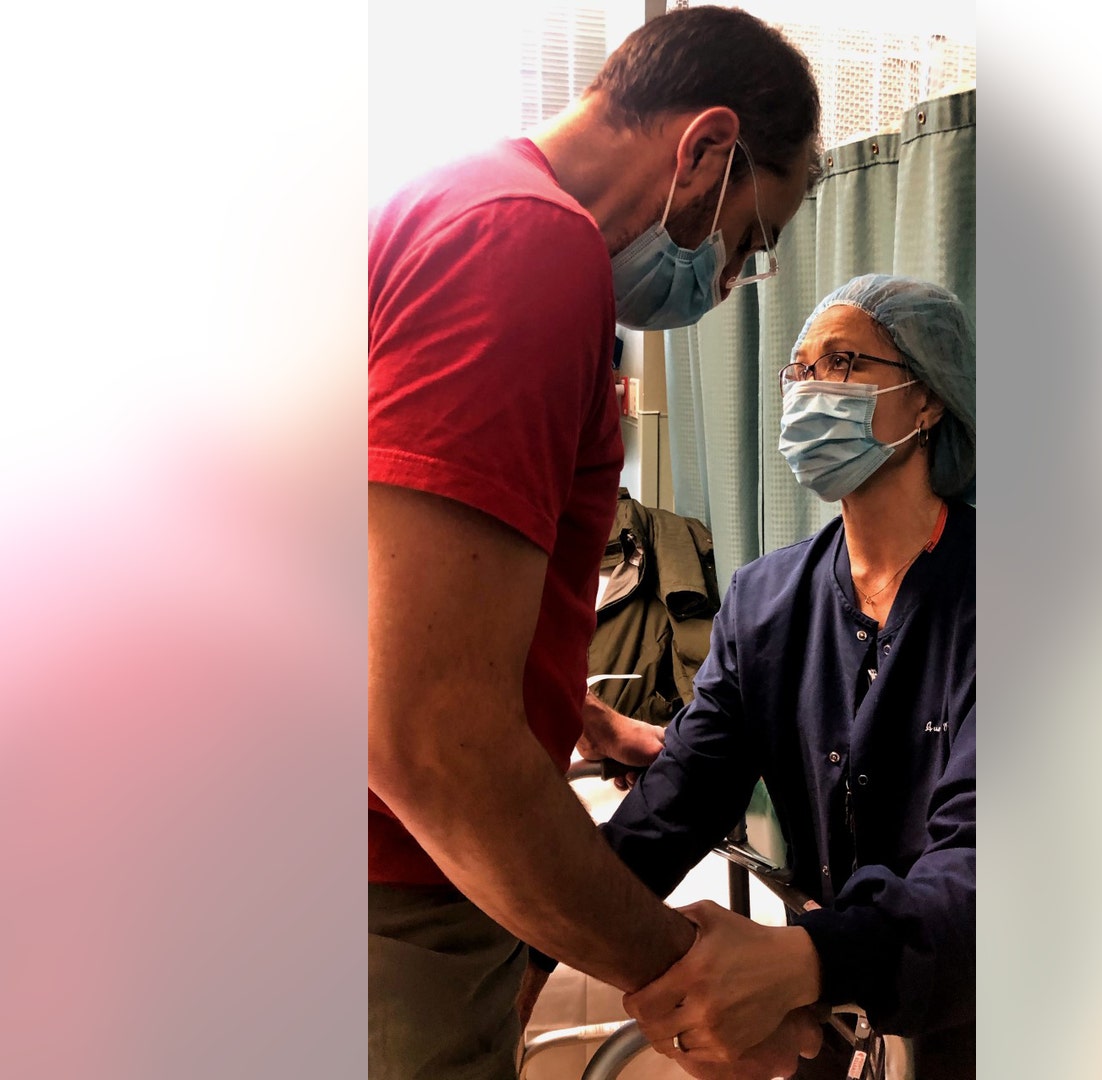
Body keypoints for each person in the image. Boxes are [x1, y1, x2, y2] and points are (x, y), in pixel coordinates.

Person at [366, 8, 830, 1079]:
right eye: (749, 240)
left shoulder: (446, 204)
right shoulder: (524, 243)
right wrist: (680, 978)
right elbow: (430, 737)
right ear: (707, 150)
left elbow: (389, 602)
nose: (724, 284)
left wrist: (563, 711)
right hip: (396, 878)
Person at [578, 275, 979, 1076]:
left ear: (926, 401)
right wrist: (537, 935)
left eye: (842, 363)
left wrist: (806, 959)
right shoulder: (767, 599)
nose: (806, 389)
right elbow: (677, 804)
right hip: (831, 1016)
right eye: (799, 369)